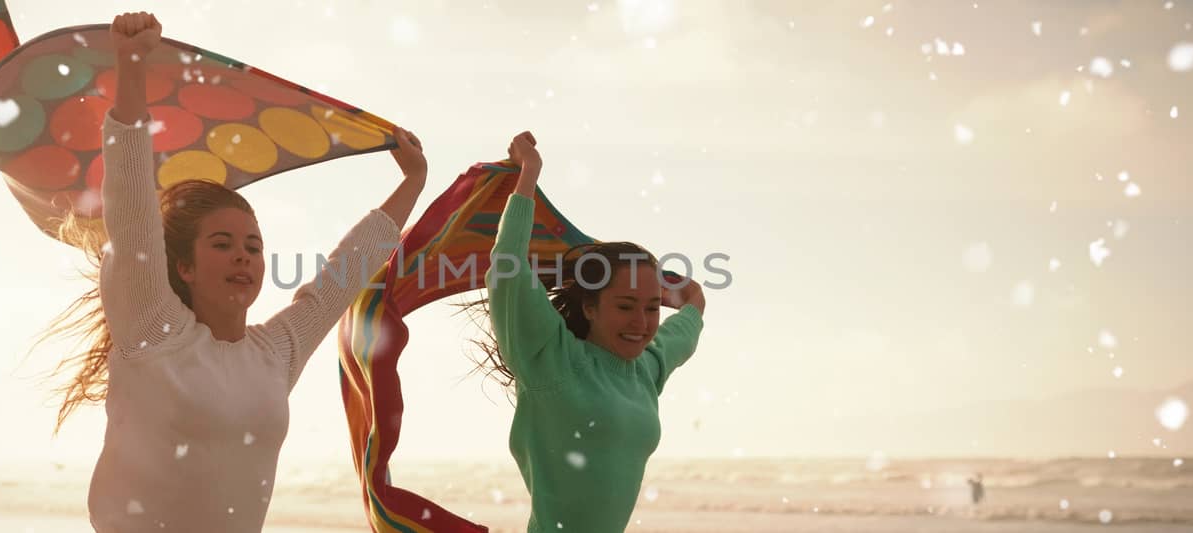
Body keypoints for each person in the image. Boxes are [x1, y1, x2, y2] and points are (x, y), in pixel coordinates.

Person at [38, 12, 429, 531]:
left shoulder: (276, 352)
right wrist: (132, 66)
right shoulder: (154, 328)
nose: (243, 256)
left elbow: (340, 280)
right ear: (184, 265)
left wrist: (413, 183)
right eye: (222, 245)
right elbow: (132, 209)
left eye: (253, 246)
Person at [472, 131, 706, 531]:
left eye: (651, 309)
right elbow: (508, 261)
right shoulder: (550, 358)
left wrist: (675, 289)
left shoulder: (648, 368)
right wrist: (529, 172)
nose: (642, 323)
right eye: (625, 306)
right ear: (590, 307)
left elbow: (693, 306)